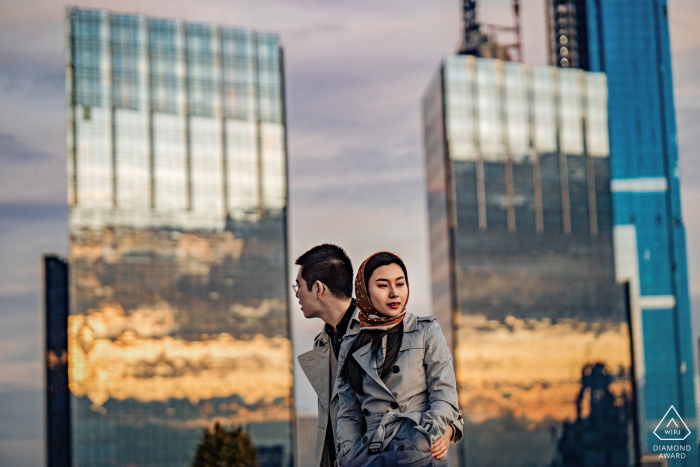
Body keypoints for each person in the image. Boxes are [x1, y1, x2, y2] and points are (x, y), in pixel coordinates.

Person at [335, 251, 463, 466]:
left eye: (400, 284)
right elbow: (348, 411)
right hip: (369, 455)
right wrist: (347, 456)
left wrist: (425, 438)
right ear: (365, 291)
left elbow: (444, 392)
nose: (394, 293)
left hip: (417, 451)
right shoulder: (350, 343)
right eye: (383, 285)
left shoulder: (426, 331)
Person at [296, 244, 357, 467]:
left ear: (319, 288)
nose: (296, 293)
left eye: (299, 285)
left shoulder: (376, 333)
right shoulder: (323, 342)